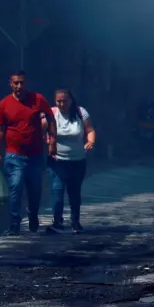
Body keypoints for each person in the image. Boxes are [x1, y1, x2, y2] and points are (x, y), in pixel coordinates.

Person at [0, 70, 56, 235]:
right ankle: (14, 224)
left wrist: (52, 141)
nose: (19, 86)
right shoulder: (4, 104)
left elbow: (50, 118)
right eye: (16, 83)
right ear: (10, 84)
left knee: (35, 190)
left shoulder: (37, 99)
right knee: (15, 187)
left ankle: (33, 216)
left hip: (35, 155)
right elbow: (0, 129)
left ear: (26, 83)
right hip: (14, 155)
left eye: (22, 82)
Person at [47, 89, 95, 233]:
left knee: (74, 192)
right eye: (58, 101)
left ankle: (75, 221)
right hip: (57, 160)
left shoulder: (81, 112)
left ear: (71, 100)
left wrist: (91, 141)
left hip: (77, 160)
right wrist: (47, 140)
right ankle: (57, 222)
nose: (62, 104)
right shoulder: (51, 113)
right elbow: (39, 127)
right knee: (57, 190)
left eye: (64, 101)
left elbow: (90, 129)